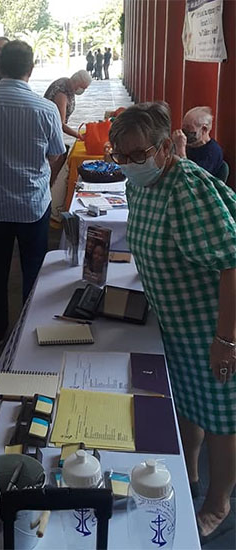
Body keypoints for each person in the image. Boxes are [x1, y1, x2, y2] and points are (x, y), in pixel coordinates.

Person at [109, 102, 236, 538]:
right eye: (119, 156)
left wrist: (227, 338)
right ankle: (190, 473)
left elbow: (233, 262)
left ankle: (219, 504)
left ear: (165, 148)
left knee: (223, 417)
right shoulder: (139, 183)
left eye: (137, 155)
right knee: (188, 401)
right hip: (176, 321)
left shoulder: (187, 188)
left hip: (214, 325)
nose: (128, 164)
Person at [0, 40, 66, 346]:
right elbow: (56, 154)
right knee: (34, 267)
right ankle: (30, 328)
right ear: (31, 69)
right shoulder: (46, 109)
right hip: (34, 204)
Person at [172, 106, 224, 178]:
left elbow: (192, 179)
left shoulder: (212, 152)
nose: (184, 131)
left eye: (189, 127)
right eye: (183, 126)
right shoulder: (187, 144)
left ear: (204, 129)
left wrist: (180, 149)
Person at [44, 69, 92, 140]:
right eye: (82, 87)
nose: (82, 90)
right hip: (48, 132)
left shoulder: (67, 83)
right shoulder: (62, 94)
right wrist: (79, 136)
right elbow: (61, 124)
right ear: (77, 82)